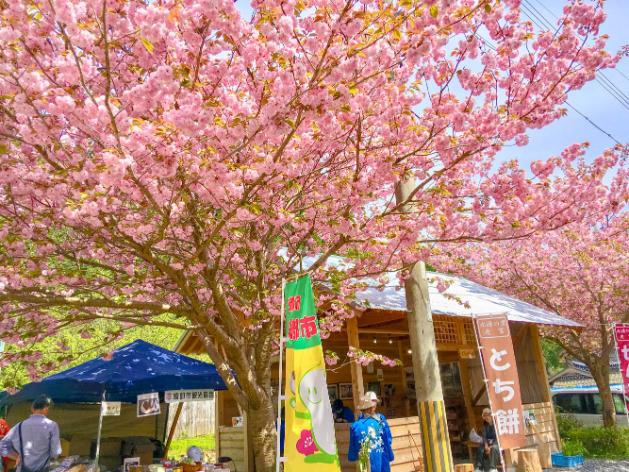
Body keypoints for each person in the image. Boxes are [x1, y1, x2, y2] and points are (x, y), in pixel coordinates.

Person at [2, 395, 62, 472]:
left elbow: (3, 446)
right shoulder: (52, 425)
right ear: (47, 409)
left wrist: (16, 457)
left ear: (32, 409)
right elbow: (56, 452)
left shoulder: (19, 426)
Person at [348, 391, 394, 472]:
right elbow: (387, 439)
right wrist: (389, 455)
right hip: (379, 453)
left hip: (365, 454)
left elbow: (354, 444)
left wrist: (353, 456)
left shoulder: (356, 424)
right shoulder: (380, 420)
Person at [474, 408, 500, 472]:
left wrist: (490, 447)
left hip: (497, 444)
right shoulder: (485, 426)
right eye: (484, 416)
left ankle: (493, 468)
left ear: (491, 415)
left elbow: (498, 438)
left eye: (488, 415)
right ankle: (479, 467)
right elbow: (484, 437)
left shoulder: (497, 424)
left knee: (494, 448)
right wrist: (486, 446)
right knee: (480, 449)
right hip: (488, 444)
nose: (486, 417)